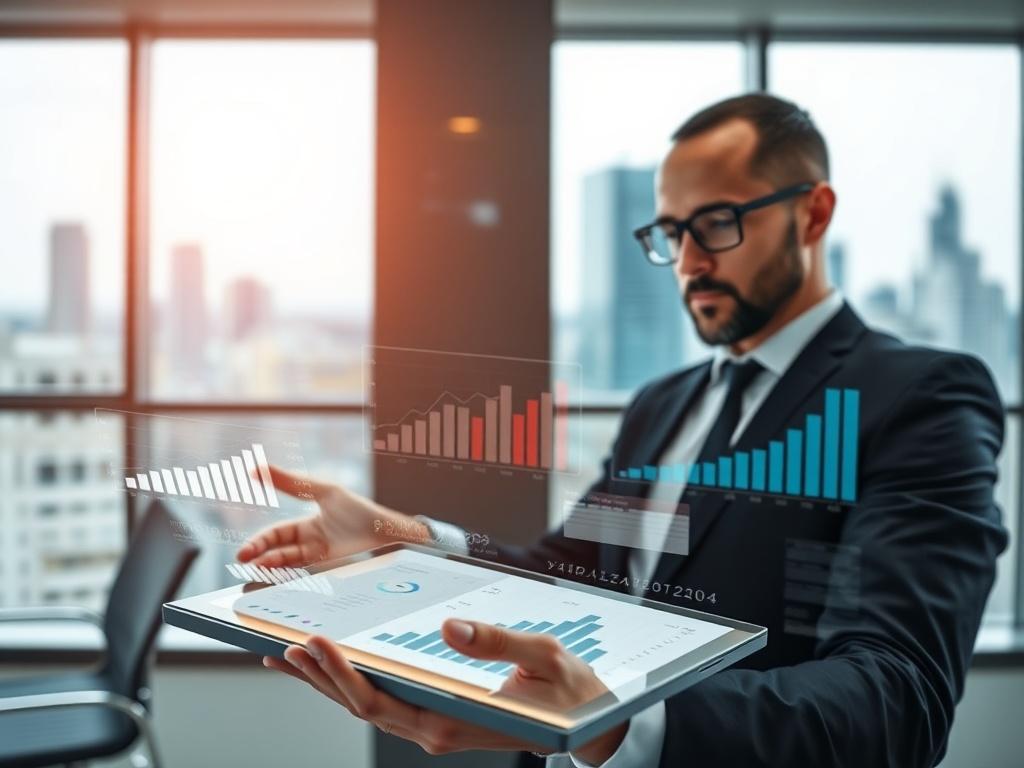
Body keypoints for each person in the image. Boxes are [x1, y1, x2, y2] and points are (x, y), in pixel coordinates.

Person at [238, 93, 1008, 767]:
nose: (689, 262)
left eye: (718, 223)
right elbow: (573, 573)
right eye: (671, 233)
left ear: (814, 213)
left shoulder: (920, 397)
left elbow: (897, 702)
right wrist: (408, 540)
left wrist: (616, 725)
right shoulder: (661, 404)